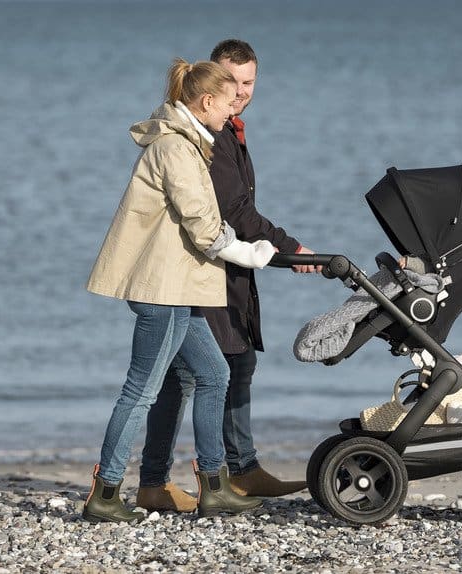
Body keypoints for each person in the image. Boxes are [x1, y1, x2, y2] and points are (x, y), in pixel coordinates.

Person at [81, 58, 272, 522]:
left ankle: (214, 486)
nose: (232, 112)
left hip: (178, 287)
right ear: (206, 101)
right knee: (141, 390)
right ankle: (105, 493)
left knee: (214, 376)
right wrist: (251, 253)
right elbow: (204, 226)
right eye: (228, 102)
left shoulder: (189, 144)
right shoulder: (175, 149)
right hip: (161, 289)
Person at [136, 39, 314, 512]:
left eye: (249, 82)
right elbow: (233, 211)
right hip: (202, 267)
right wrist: (290, 249)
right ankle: (213, 476)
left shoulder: (228, 129)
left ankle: (234, 470)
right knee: (200, 372)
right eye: (232, 82)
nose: (240, 92)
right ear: (210, 84)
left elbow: (239, 210)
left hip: (226, 263)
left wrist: (270, 249)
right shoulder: (204, 135)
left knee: (219, 367)